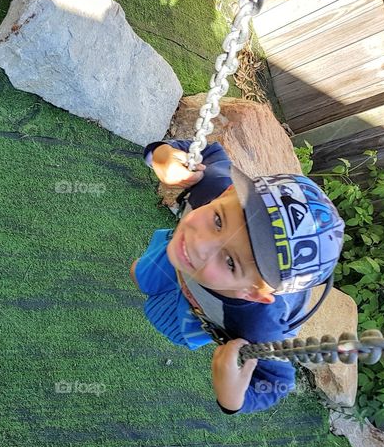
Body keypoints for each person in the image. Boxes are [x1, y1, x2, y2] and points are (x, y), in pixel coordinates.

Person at [131, 138, 345, 414]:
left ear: (253, 292)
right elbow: (208, 150)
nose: (201, 242)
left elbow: (277, 382)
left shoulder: (258, 322)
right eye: (218, 220)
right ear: (228, 192)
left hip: (202, 311)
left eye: (231, 261)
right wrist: (164, 156)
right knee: (140, 274)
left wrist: (232, 400)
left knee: (163, 319)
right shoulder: (214, 185)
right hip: (175, 263)